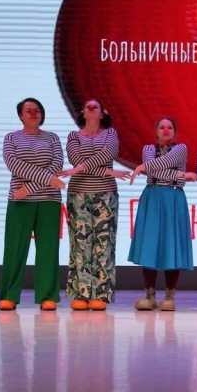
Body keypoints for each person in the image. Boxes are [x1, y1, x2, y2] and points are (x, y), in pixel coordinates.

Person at [59, 98, 130, 311]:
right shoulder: (74, 136)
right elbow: (74, 159)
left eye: (95, 106)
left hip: (106, 194)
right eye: (87, 106)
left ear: (102, 113)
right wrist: (108, 171)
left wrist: (80, 168)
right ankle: (81, 293)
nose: (90, 108)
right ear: (82, 112)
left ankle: (101, 294)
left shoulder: (110, 134)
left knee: (104, 244)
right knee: (80, 244)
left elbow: (107, 154)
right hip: (78, 194)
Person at [0, 97, 66, 311]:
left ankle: (47, 296)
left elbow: (56, 165)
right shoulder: (11, 138)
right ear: (20, 115)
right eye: (29, 111)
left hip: (49, 200)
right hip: (20, 200)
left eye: (37, 110)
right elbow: (14, 165)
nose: (34, 113)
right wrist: (42, 182)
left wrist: (30, 188)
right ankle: (9, 295)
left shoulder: (52, 138)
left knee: (48, 249)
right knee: (15, 248)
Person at [128, 117, 197, 311]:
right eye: (162, 127)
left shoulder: (181, 149)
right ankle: (149, 295)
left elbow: (161, 164)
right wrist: (181, 175)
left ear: (175, 132)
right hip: (152, 197)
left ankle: (169, 296)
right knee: (150, 244)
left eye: (169, 127)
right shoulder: (148, 149)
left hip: (173, 199)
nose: (166, 130)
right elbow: (154, 172)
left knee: (171, 244)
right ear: (156, 131)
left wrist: (143, 167)